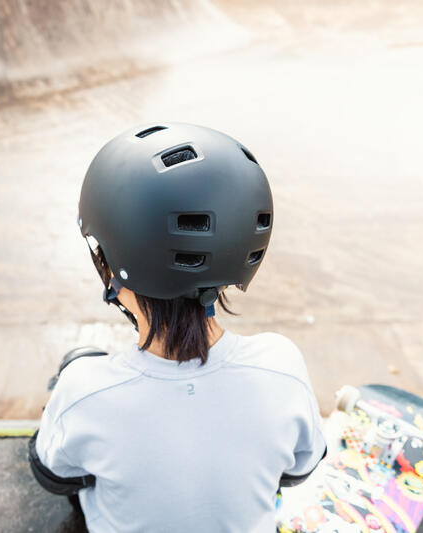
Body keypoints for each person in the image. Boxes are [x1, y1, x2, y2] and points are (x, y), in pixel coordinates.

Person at [29, 123, 326, 532]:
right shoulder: (282, 367)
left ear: (113, 271)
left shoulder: (84, 389)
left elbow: (54, 472)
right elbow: (299, 468)